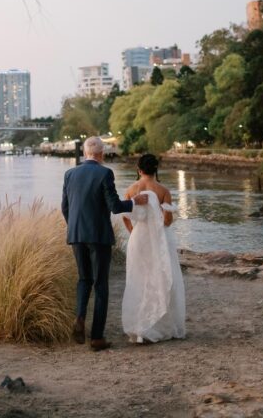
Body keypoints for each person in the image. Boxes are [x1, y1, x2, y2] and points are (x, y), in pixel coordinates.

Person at [61, 135, 148, 351]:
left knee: (84, 279)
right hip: (99, 236)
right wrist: (134, 202)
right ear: (101, 154)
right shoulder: (105, 173)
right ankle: (97, 337)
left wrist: (74, 227)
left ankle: (80, 317)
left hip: (76, 234)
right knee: (100, 285)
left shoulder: (70, 174)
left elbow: (65, 207)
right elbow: (115, 207)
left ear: (84, 153)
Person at [121, 152, 186, 343]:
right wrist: (156, 226)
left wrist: (133, 230)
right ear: (155, 169)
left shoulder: (131, 190)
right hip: (158, 239)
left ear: (139, 170)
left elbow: (125, 215)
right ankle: (160, 324)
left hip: (138, 238)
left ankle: (139, 324)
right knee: (163, 278)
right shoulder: (163, 190)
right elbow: (167, 220)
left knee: (139, 279)